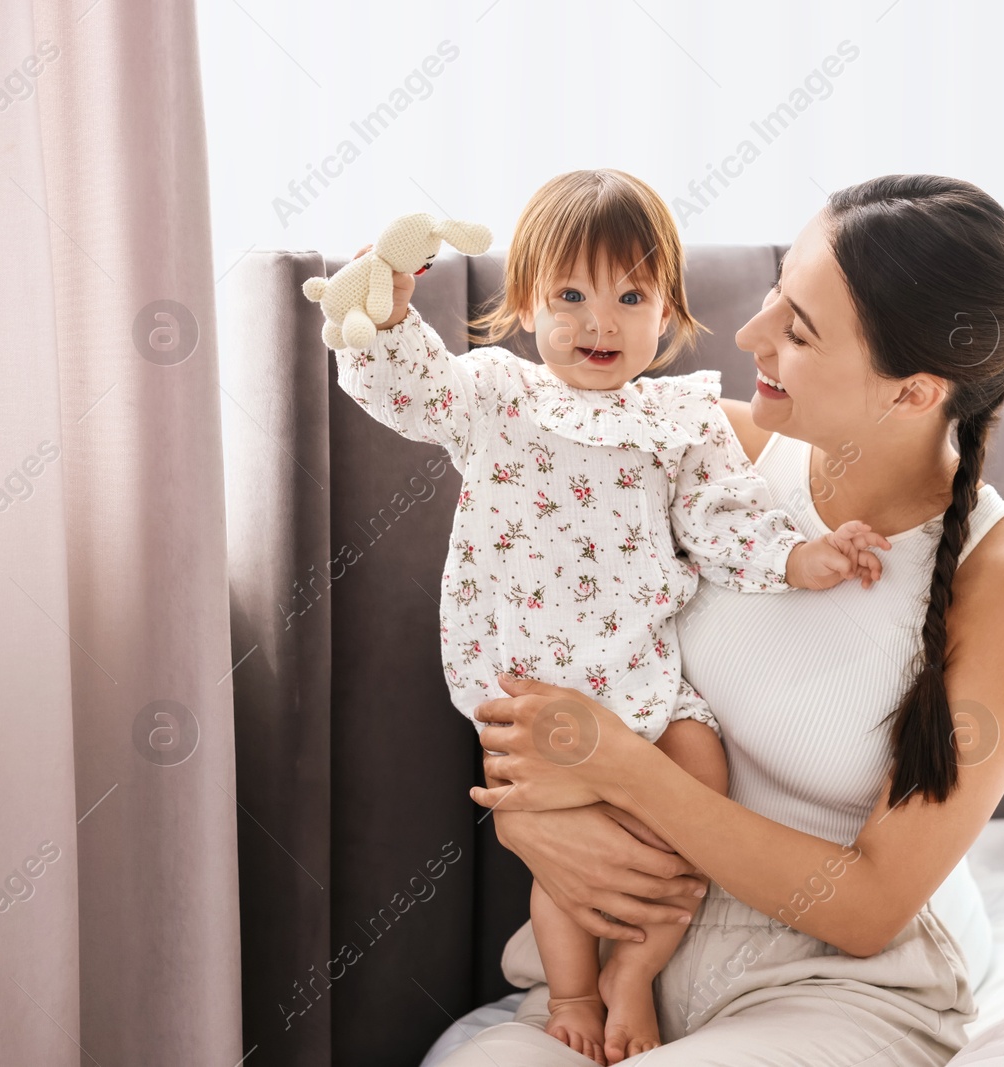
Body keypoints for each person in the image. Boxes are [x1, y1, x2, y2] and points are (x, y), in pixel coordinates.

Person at [447, 174, 1004, 1066]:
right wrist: (528, 814)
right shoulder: (691, 448)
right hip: (606, 965)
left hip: (834, 986)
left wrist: (623, 769)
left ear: (913, 392)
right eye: (776, 293)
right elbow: (536, 629)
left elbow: (868, 908)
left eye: (799, 328)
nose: (749, 335)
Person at [335, 169, 891, 1064]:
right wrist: (389, 317)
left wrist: (802, 556)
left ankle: (636, 974)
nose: (600, 321)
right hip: (538, 683)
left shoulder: (682, 419)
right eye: (570, 295)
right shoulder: (496, 397)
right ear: (524, 304)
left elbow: (723, 520)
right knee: (569, 854)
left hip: (644, 673)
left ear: (667, 313)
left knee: (698, 778)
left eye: (631, 295)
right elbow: (409, 391)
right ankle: (575, 990)